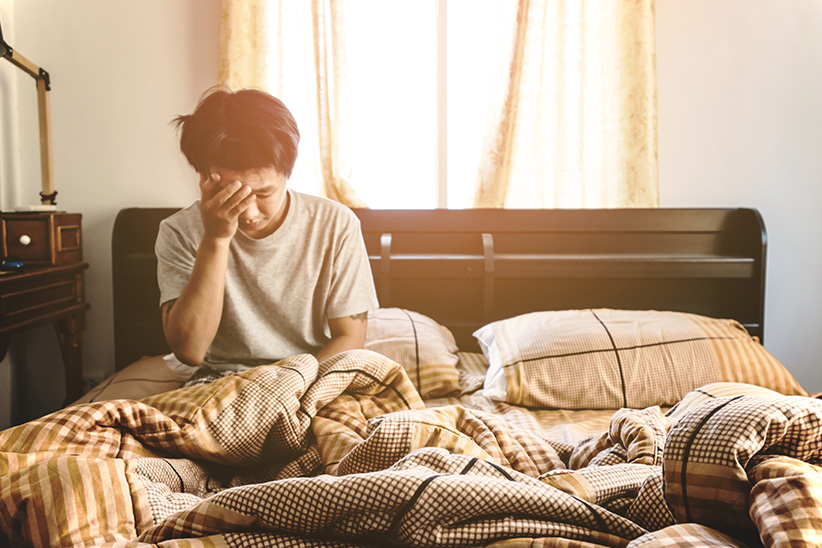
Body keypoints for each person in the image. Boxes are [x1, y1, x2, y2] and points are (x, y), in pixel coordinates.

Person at [155, 88, 378, 371]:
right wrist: (216, 239)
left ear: (287, 174)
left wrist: (287, 385)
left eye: (262, 194)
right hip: (222, 380)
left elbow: (350, 338)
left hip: (314, 374)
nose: (248, 213)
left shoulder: (335, 224)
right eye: (230, 193)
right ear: (203, 176)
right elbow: (190, 351)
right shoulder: (179, 232)